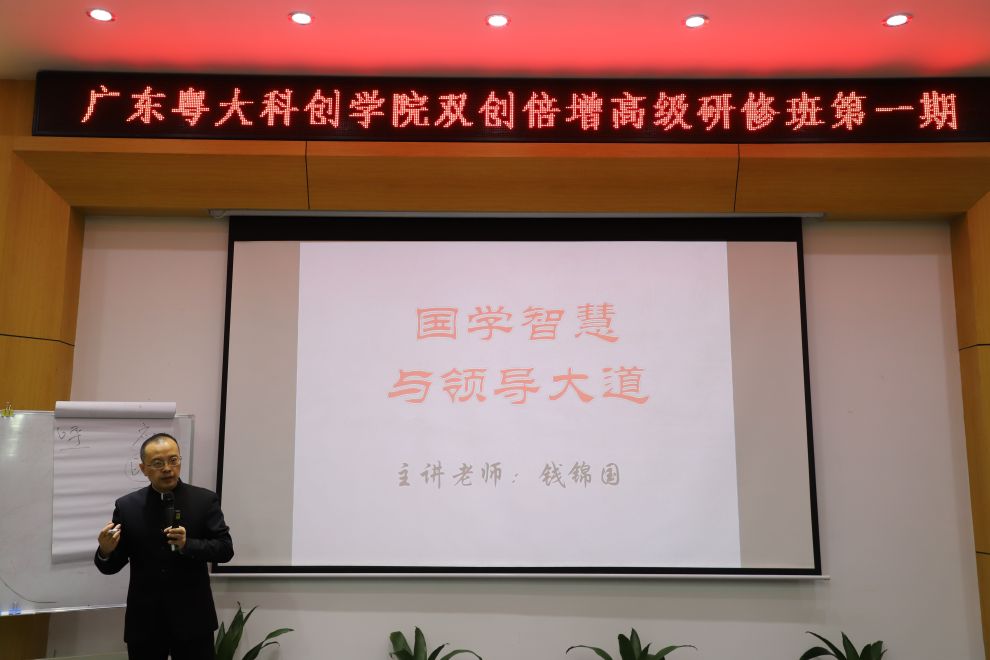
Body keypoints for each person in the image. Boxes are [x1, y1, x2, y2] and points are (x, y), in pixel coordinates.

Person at [95, 432, 234, 660]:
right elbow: (111, 566)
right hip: (145, 622)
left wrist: (188, 544)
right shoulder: (127, 507)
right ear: (144, 469)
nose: (168, 468)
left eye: (173, 460)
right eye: (158, 463)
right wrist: (105, 551)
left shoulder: (204, 500)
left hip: (193, 619)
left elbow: (225, 549)